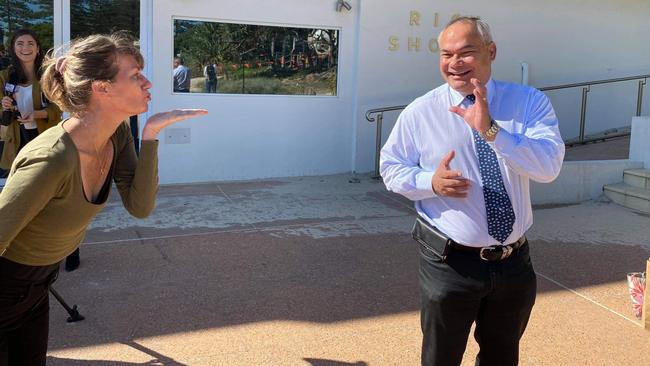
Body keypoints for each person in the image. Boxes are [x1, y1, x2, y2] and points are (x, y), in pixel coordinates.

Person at [0, 33, 207, 366]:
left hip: (38, 288)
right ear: (102, 87)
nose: (148, 81)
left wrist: (151, 133)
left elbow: (140, 207)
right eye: (135, 74)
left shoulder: (118, 132)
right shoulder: (50, 160)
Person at [380, 17, 564, 366]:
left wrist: (492, 130)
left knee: (501, 356)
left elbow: (548, 167)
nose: (454, 63)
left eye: (466, 52)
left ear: (491, 52)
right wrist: (429, 183)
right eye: (446, 54)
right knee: (441, 358)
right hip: (449, 264)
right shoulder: (421, 112)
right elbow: (390, 167)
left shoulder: (528, 103)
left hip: (513, 265)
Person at [0, 29, 62, 177]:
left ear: (38, 48)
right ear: (14, 49)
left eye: (30, 43)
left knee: (45, 179)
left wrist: (37, 114)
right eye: (20, 44)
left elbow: (59, 106)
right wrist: (4, 104)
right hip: (15, 138)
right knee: (19, 180)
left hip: (44, 135)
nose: (25, 48)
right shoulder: (4, 76)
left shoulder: (49, 75)